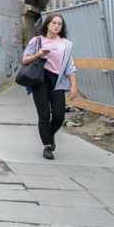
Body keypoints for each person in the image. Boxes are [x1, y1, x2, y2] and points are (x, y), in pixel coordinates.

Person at [22, 13, 78, 160]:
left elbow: (70, 67)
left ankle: (49, 134)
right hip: (40, 80)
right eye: (54, 23)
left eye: (60, 24)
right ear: (47, 24)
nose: (57, 26)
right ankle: (47, 146)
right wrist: (38, 55)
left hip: (57, 81)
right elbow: (24, 60)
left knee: (59, 115)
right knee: (44, 115)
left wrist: (73, 85)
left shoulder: (66, 44)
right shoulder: (37, 41)